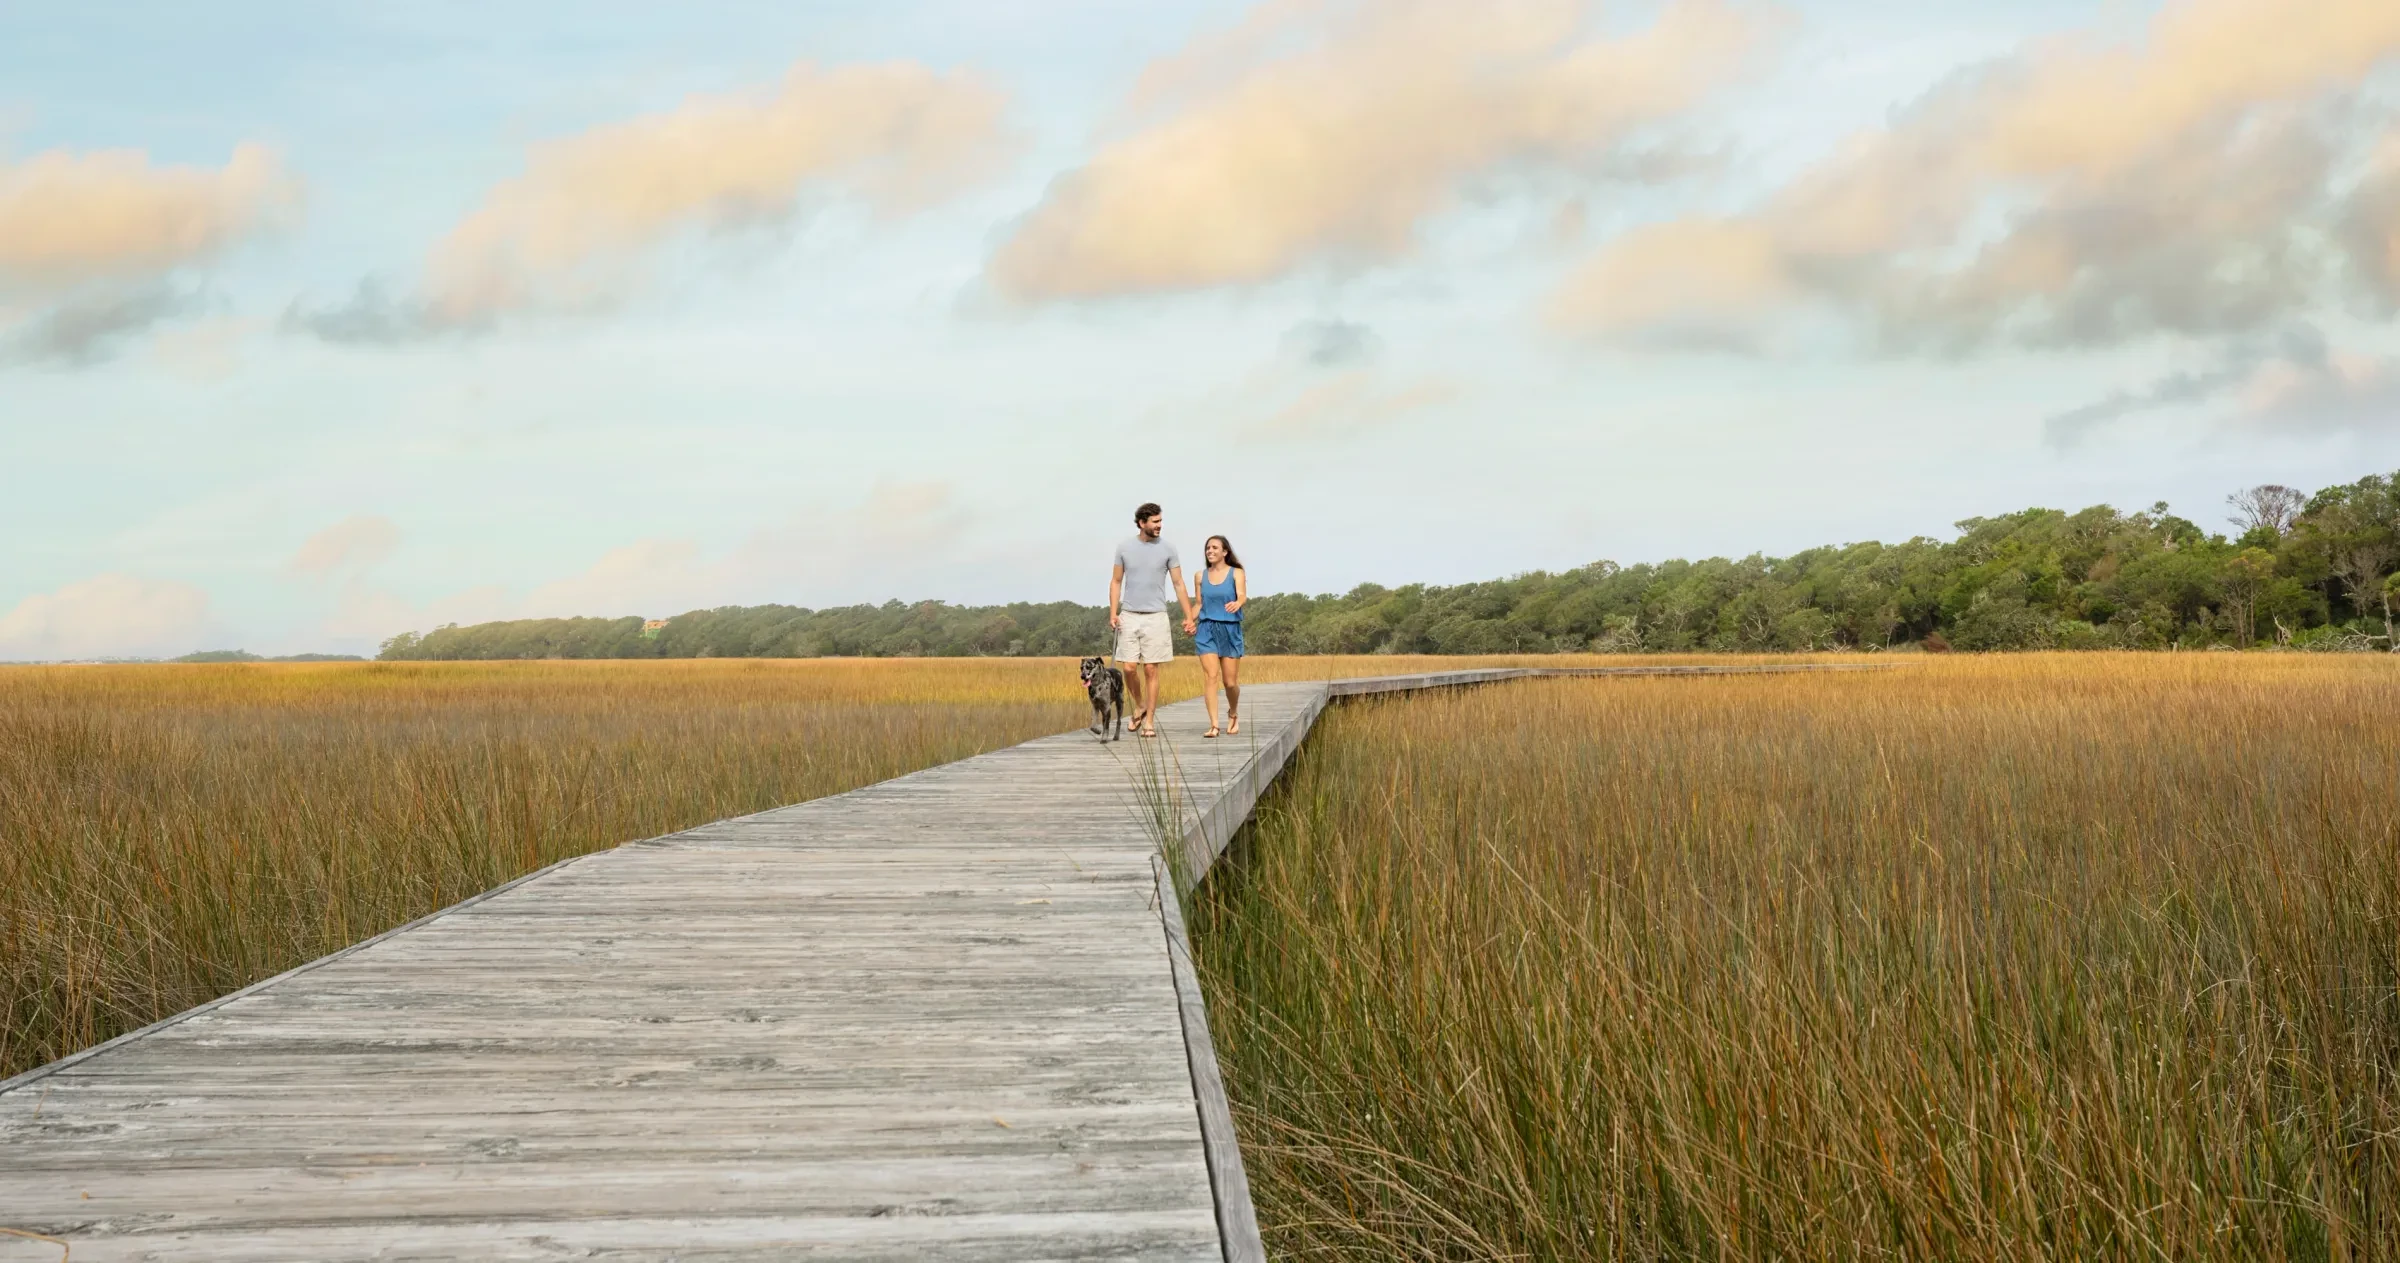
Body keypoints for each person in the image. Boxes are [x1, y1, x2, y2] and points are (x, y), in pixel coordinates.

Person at [1109, 502, 1194, 739]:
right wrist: (1113, 612)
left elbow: (1179, 583)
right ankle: (1139, 704)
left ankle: (1149, 721)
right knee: (1127, 668)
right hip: (1129, 614)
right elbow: (1116, 581)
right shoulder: (1124, 547)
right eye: (1155, 522)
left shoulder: (1168, 548)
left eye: (1160, 521)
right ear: (1141, 523)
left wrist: (1188, 616)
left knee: (1151, 669)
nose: (1159, 526)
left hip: (1156, 616)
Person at [1186, 534, 1246, 738]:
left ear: (1225, 552)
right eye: (1207, 548)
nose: (1210, 551)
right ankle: (1214, 725)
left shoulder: (1236, 573)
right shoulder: (1200, 576)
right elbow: (1199, 604)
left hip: (1230, 629)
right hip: (1206, 630)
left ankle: (1233, 713)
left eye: (1214, 548)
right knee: (1211, 676)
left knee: (1230, 683)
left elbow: (1242, 595)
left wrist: (1238, 603)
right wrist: (1189, 620)